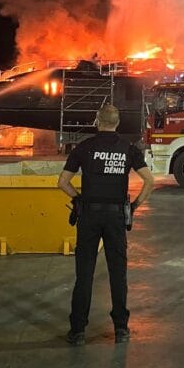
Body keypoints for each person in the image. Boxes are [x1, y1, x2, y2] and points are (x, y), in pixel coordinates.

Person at [58, 103, 154, 345]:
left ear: (97, 121)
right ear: (117, 123)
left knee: (85, 274)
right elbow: (149, 181)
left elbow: (63, 182)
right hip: (115, 218)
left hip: (89, 216)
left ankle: (78, 330)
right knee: (117, 273)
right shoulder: (128, 149)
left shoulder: (84, 147)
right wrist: (133, 207)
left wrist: (77, 198)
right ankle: (121, 328)